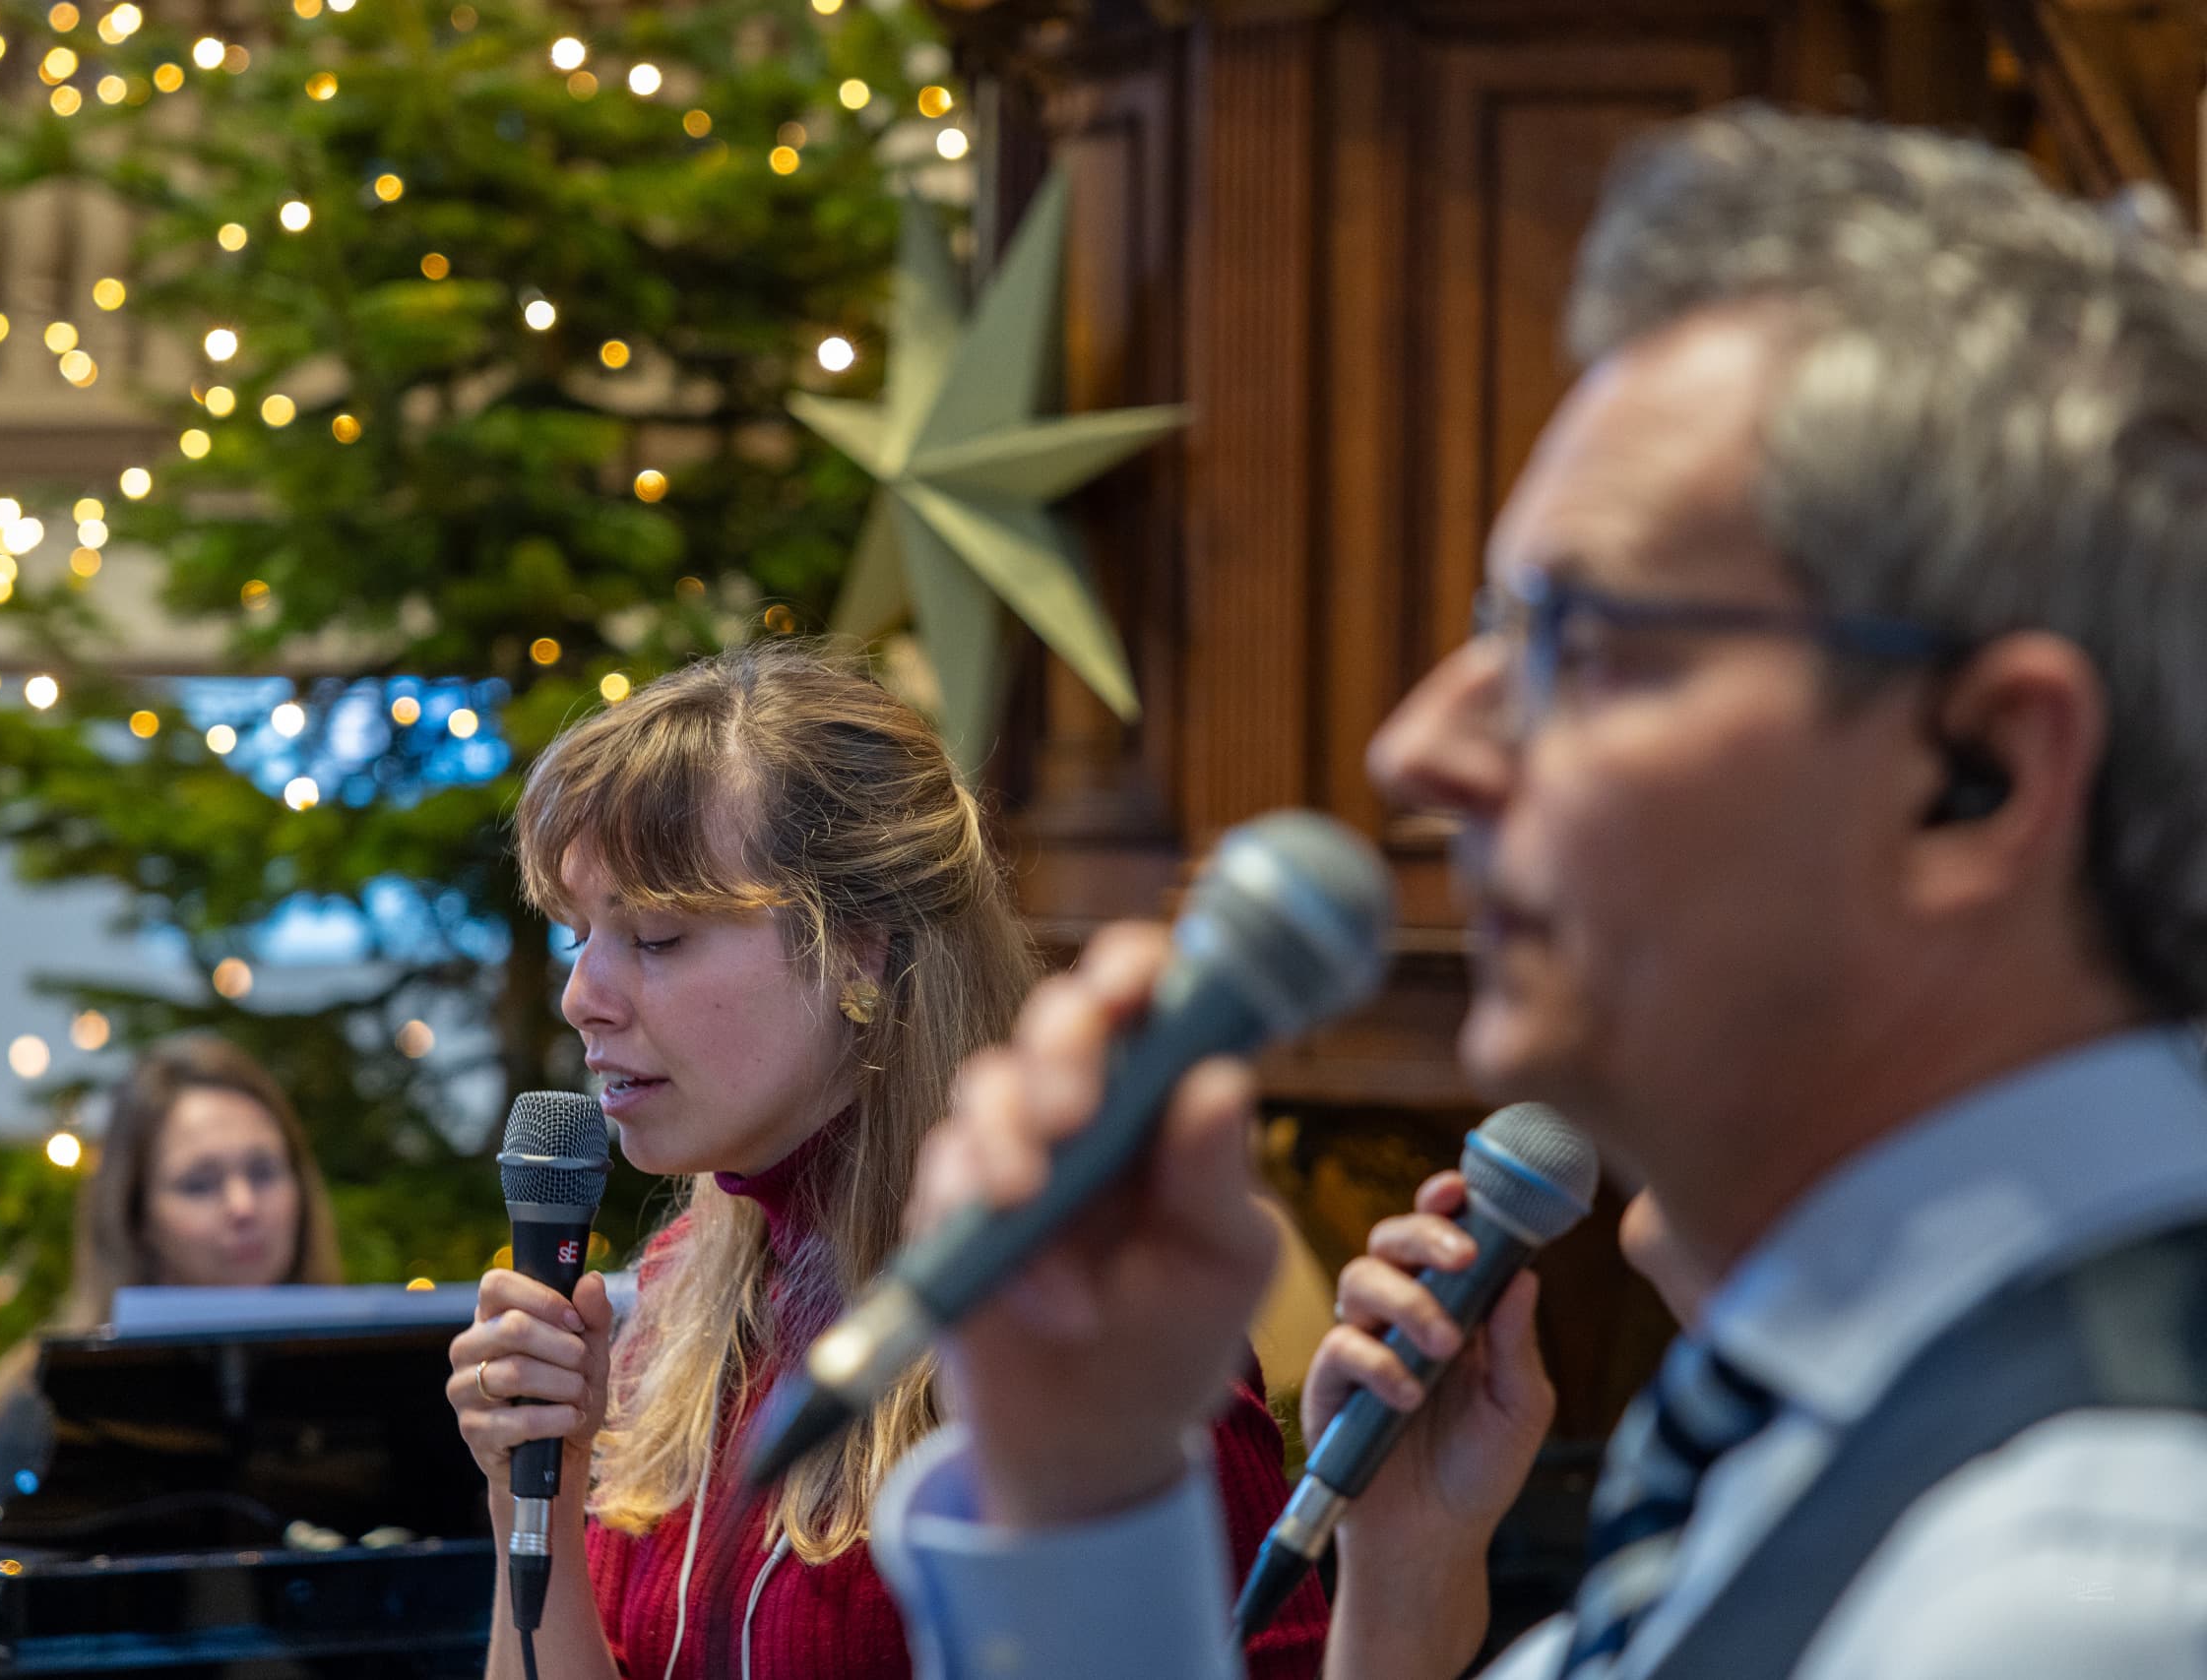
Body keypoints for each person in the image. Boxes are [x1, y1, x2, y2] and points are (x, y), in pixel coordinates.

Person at [868, 105, 2207, 1679]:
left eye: (1579, 638)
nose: (1420, 742)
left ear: (1975, 771)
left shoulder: (2077, 1587)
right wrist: (1082, 1477)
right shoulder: (1861, 1424)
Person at [443, 642, 1328, 1680]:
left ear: (859, 947)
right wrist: (528, 1492)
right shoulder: (678, 1293)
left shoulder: (1079, 1311)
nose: (580, 996)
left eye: (655, 936)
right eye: (577, 936)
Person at [0, 1033, 345, 1505]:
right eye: (199, 1184)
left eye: (264, 1171)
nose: (244, 1206)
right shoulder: (48, 1409)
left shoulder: (372, 1376)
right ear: (137, 1219)